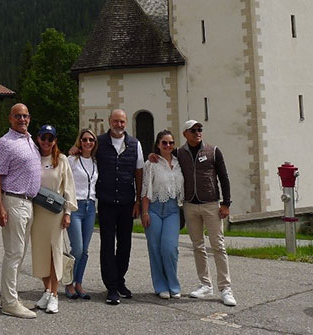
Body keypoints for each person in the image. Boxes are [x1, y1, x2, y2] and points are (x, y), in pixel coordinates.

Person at [0, 102, 41, 319]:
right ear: (10, 119)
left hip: (28, 203)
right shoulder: (5, 143)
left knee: (19, 254)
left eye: (25, 116)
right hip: (13, 201)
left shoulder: (29, 140)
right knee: (14, 253)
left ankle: (10, 296)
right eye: (18, 116)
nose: (22, 119)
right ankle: (10, 302)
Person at [178, 120, 236, 307]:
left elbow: (224, 177)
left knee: (218, 245)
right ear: (185, 134)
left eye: (199, 129)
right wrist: (154, 155)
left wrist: (226, 203)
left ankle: (225, 288)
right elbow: (164, 158)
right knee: (197, 245)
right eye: (193, 130)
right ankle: (205, 284)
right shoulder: (179, 153)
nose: (197, 132)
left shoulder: (213, 151)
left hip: (211, 203)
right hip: (190, 204)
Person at [95, 108, 144, 305]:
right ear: (109, 122)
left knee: (125, 245)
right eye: (116, 121)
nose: (119, 125)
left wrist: (138, 200)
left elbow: (138, 172)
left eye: (122, 121)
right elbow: (85, 155)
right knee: (107, 245)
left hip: (126, 202)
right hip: (106, 202)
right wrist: (75, 150)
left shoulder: (135, 144)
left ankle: (120, 280)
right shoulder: (99, 142)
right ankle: (111, 287)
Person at [32, 125, 77, 314]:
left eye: (50, 139)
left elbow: (69, 187)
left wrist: (68, 213)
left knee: (54, 253)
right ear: (38, 138)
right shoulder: (32, 159)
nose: (47, 142)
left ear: (55, 141)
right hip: (37, 212)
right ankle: (46, 291)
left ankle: (55, 295)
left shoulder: (61, 160)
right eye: (44, 138)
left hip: (55, 213)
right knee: (40, 253)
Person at [141, 129, 184, 299]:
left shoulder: (180, 162)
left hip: (173, 209)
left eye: (171, 143)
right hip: (154, 208)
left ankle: (173, 284)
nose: (168, 145)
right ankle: (161, 286)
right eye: (164, 143)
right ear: (158, 145)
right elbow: (146, 188)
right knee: (155, 248)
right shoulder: (151, 163)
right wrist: (145, 212)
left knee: (170, 248)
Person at [65, 128, 98, 300]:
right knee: (76, 248)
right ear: (80, 141)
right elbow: (64, 184)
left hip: (90, 207)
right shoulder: (72, 160)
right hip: (75, 206)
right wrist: (67, 211)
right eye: (84, 140)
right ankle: (68, 282)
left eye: (91, 140)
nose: (87, 143)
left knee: (84, 250)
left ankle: (79, 282)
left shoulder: (95, 161)